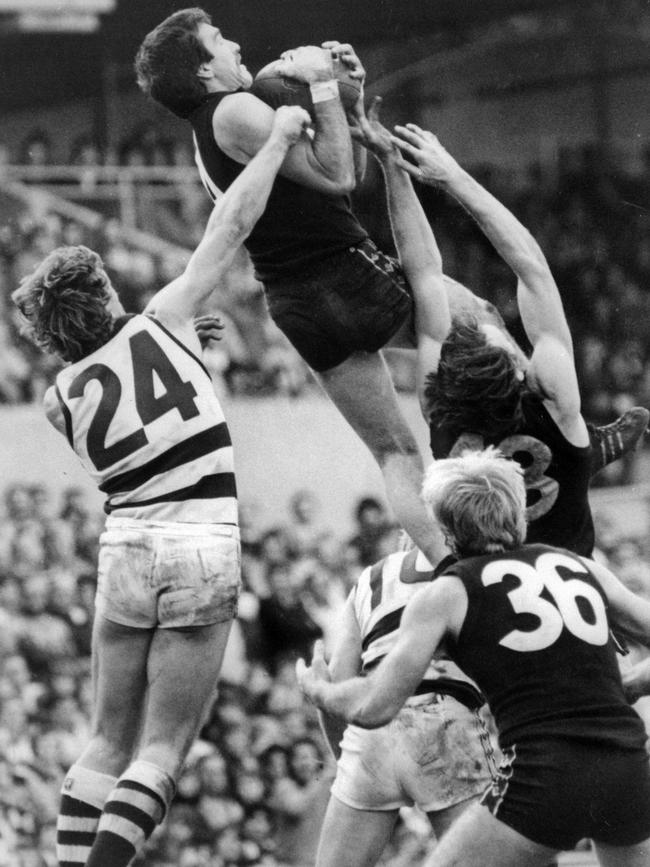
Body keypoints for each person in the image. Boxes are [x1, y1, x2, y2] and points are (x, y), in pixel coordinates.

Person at [12, 104, 312, 867]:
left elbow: (129, 391)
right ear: (108, 294)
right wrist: (276, 139)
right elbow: (232, 224)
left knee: (106, 739)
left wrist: (189, 351)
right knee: (163, 749)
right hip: (200, 541)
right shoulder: (164, 316)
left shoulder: (56, 401)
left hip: (126, 546)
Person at [133, 7, 494, 566]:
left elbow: (333, 159)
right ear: (204, 72)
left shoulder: (208, 132)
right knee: (482, 321)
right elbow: (339, 175)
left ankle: (451, 567)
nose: (233, 44)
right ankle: (560, 444)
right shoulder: (234, 108)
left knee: (394, 450)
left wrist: (346, 93)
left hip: (296, 304)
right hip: (343, 272)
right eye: (219, 40)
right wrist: (324, 81)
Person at [298, 447, 650, 867]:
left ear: (444, 530)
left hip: (545, 773)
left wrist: (320, 691)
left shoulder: (450, 590)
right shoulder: (576, 564)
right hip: (628, 764)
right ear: (520, 514)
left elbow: (375, 707)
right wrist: (634, 683)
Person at [382, 117, 648, 556]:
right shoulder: (554, 404)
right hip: (568, 573)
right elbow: (532, 268)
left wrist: (391, 168)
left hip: (485, 589)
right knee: (483, 313)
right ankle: (590, 447)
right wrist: (453, 176)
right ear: (517, 370)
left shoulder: (443, 420)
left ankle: (591, 448)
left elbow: (423, 273)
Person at [313, 538, 495, 867]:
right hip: (446, 723)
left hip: (369, 735)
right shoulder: (482, 567)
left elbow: (340, 685)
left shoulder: (370, 578)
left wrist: (349, 763)